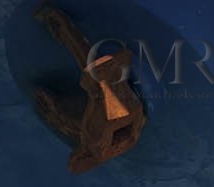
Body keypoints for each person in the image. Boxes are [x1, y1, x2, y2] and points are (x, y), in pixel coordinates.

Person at [32, 2, 146, 174]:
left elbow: (128, 132)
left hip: (123, 111)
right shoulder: (94, 140)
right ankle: (59, 24)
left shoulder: (93, 140)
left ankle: (59, 25)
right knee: (95, 79)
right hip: (118, 107)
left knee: (95, 84)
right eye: (76, 157)